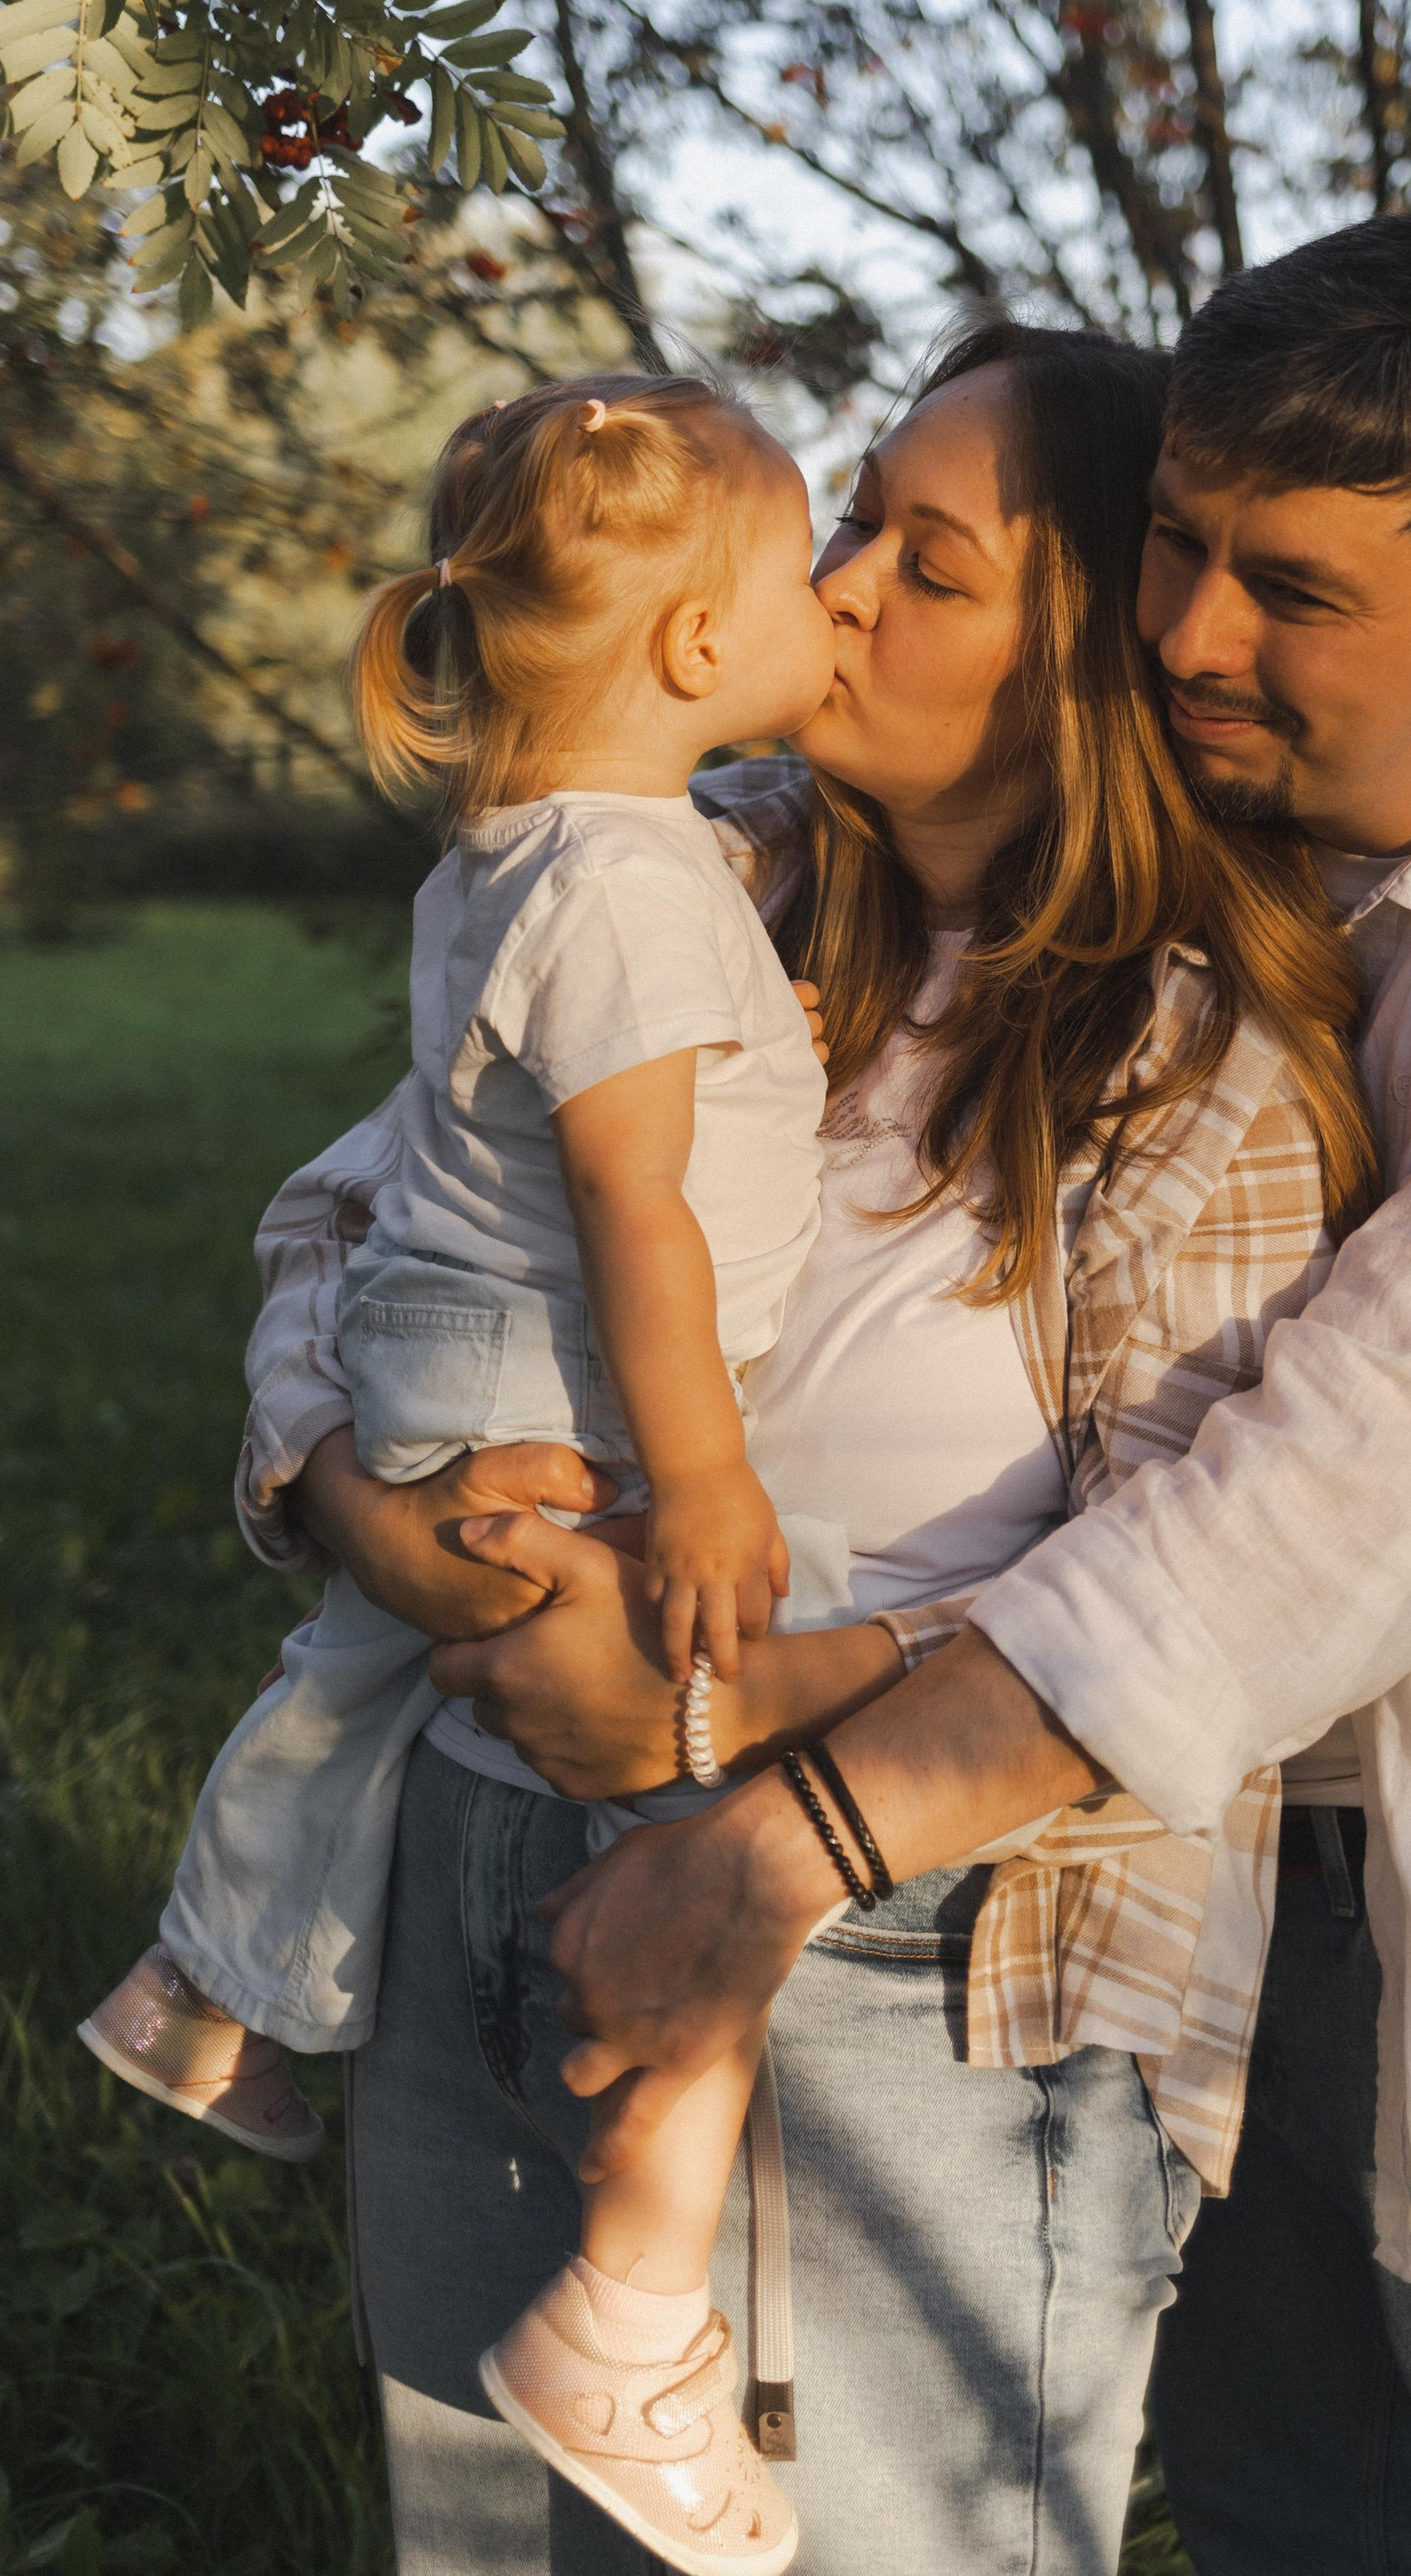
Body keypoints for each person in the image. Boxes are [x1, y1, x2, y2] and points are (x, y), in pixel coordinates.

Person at [500, 218, 1411, 2576]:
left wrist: (779, 1827)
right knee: (1283, 2516)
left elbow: (1291, 1528)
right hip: (1132, 1872)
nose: (1195, 633)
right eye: (1179, 553)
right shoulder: (1138, 838)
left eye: (1292, 592)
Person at [222, 321, 1376, 2576]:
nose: (835, 589)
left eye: (922, 563)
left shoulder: (1191, 1052)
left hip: (907, 1970)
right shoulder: (689, 880)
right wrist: (358, 1507)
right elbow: (338, 1219)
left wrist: (708, 1698)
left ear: (1084, 662)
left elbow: (1211, 1601)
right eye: (847, 524)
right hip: (477, 1841)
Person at [83, 369, 835, 2576]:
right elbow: (640, 1214)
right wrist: (693, 1476)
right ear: (697, 648)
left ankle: (204, 1982)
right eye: (804, 574)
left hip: (440, 1353)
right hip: (563, 1385)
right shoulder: (637, 885)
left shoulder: (537, 847)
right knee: (697, 1858)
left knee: (361, 1671)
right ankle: (629, 2317)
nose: (834, 610)